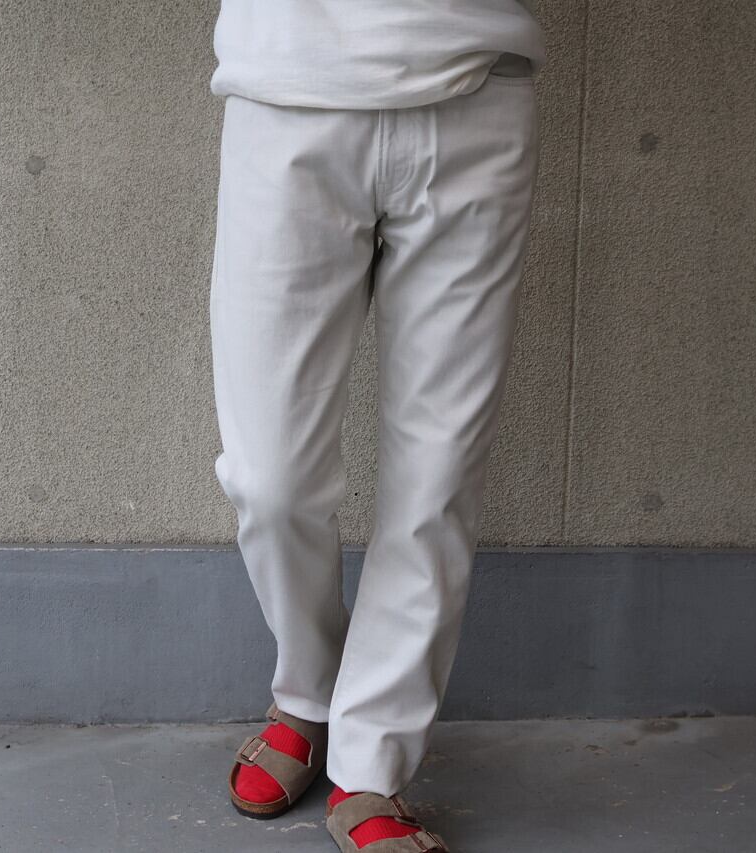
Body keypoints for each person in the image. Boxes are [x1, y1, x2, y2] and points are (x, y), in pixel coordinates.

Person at [207, 2, 546, 850]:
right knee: (269, 478)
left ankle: (372, 762)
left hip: (476, 91)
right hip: (287, 86)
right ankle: (308, 688)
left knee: (438, 471)